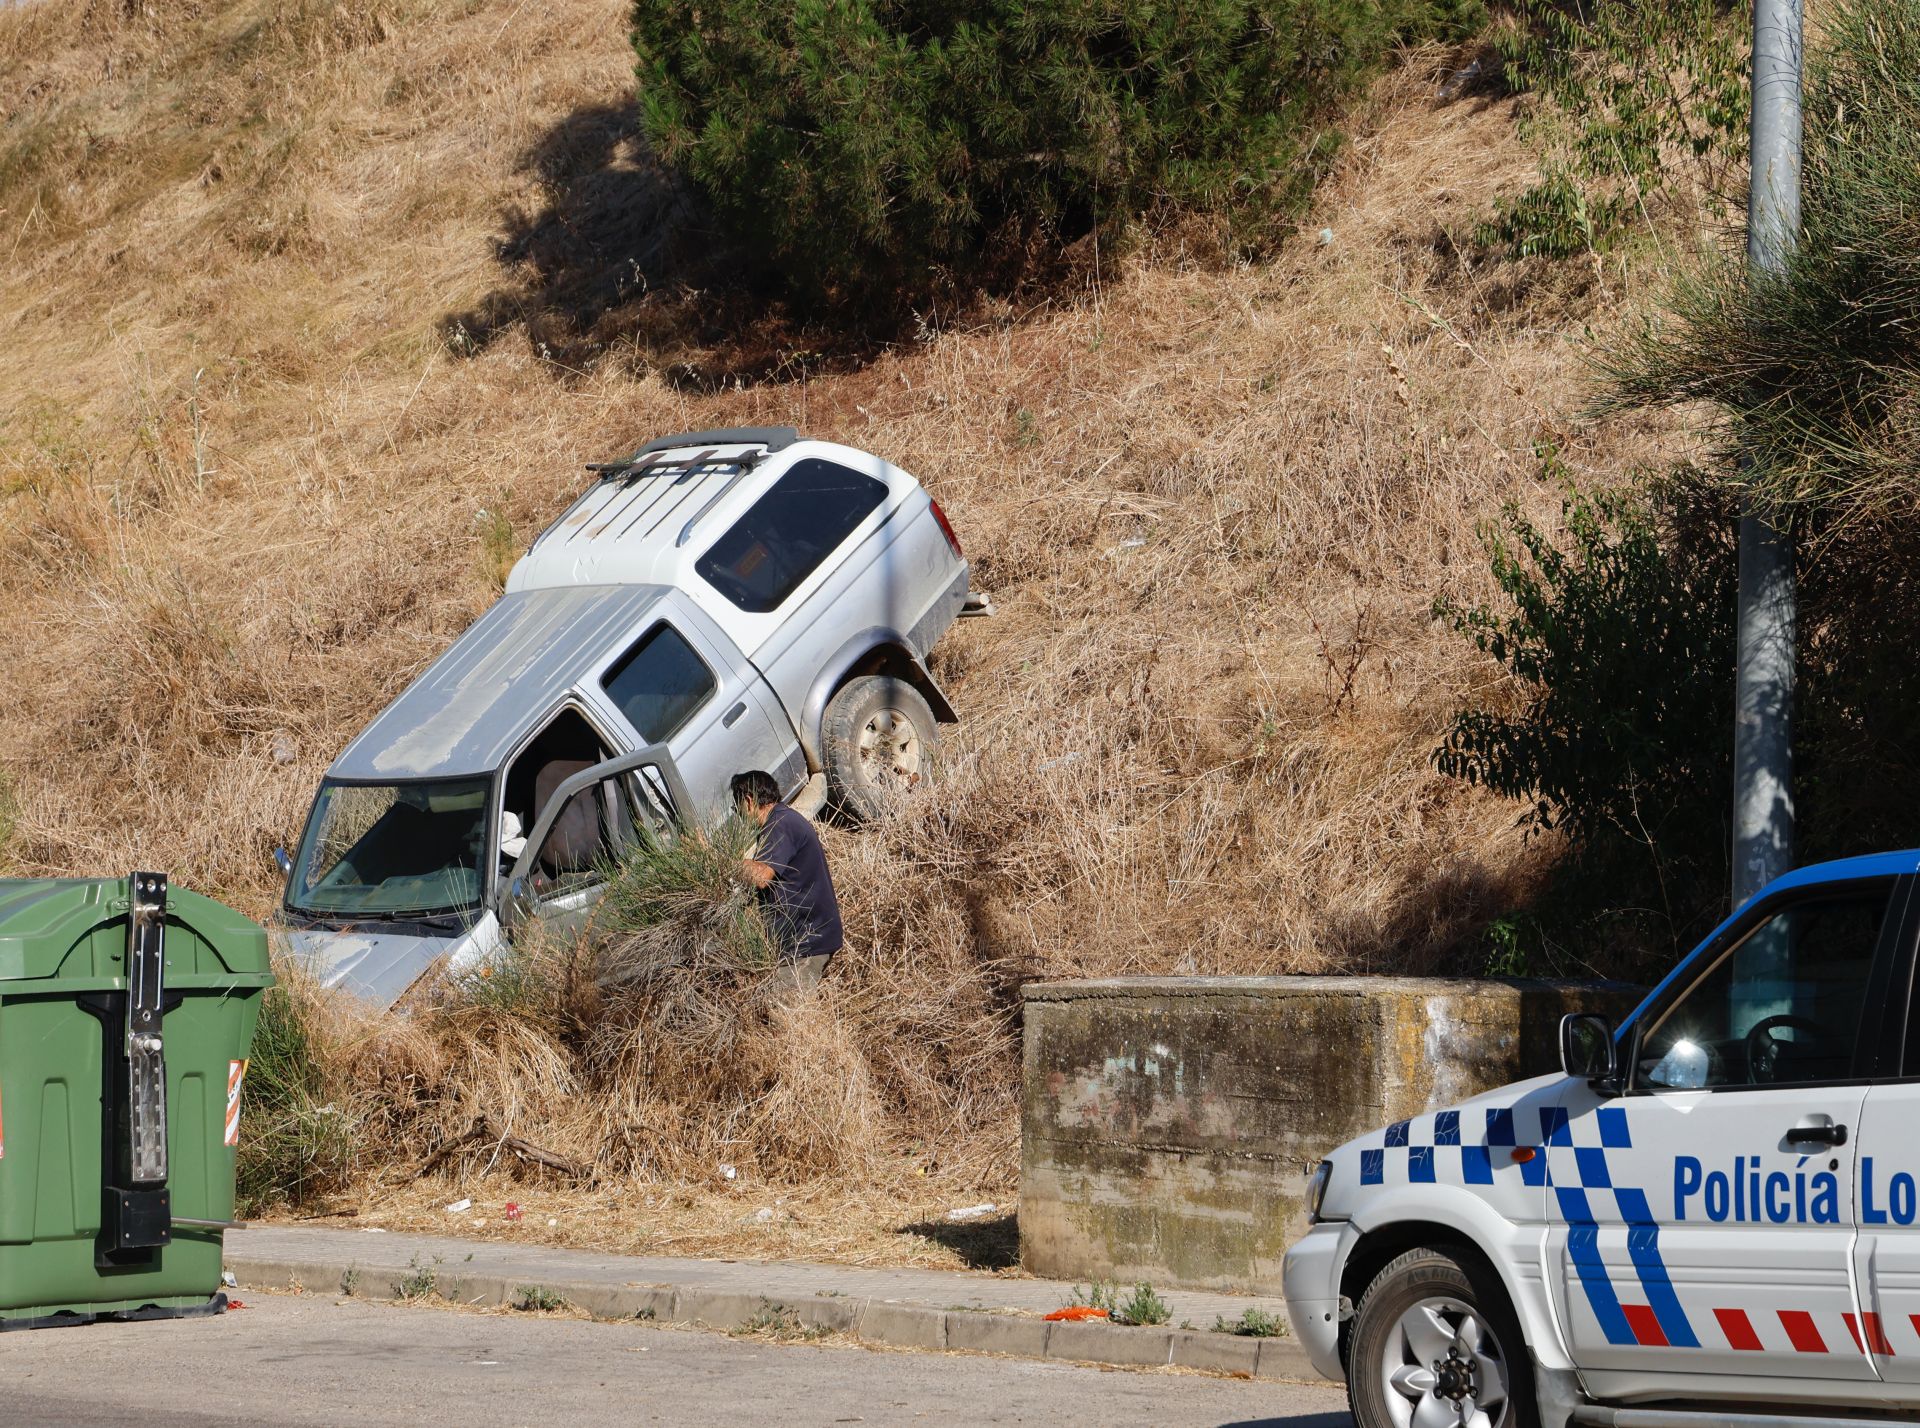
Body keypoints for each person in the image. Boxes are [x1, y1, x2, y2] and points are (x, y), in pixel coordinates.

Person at [731, 770, 842, 992]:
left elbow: (761, 877)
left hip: (808, 943)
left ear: (749, 801)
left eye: (737, 809)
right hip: (801, 943)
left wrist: (723, 861)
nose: (738, 815)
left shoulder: (780, 824)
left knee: (783, 1009)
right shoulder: (781, 821)